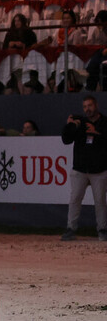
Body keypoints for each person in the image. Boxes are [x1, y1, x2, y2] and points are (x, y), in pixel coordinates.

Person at [61, 96, 107, 241]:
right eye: (85, 106)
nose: (87, 109)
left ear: (96, 105)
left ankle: (102, 230)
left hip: (99, 170)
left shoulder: (105, 122)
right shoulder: (80, 123)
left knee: (100, 201)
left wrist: (96, 133)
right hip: (80, 169)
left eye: (90, 106)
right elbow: (66, 139)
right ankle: (71, 228)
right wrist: (70, 125)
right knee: (75, 199)